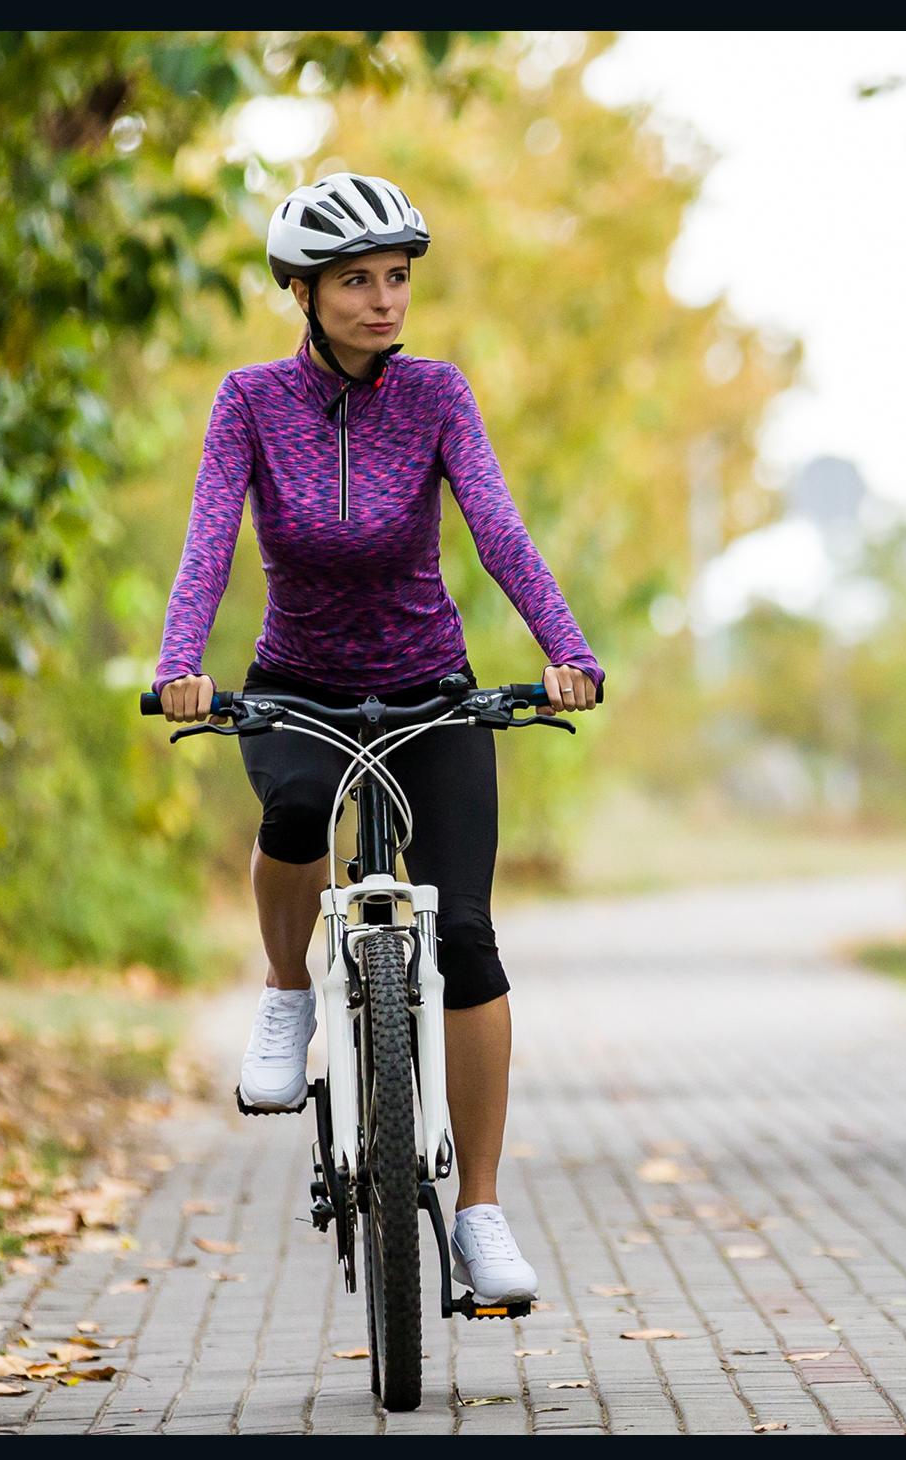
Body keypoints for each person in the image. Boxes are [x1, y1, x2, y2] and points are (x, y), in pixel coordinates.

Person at [153, 172, 605, 1305]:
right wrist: (178, 667)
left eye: (396, 277)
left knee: (469, 935)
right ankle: (284, 993)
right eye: (355, 280)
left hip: (428, 691)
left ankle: (480, 1214)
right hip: (295, 687)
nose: (383, 299)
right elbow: (210, 537)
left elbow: (496, 527)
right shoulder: (249, 401)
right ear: (300, 293)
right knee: (295, 810)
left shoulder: (437, 396)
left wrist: (565, 647)